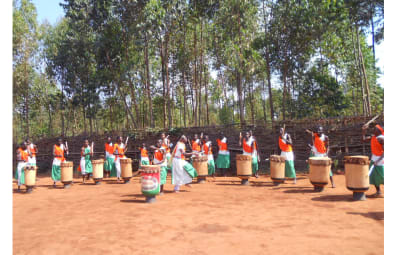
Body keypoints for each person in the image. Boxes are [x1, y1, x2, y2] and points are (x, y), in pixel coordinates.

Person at [362, 124, 384, 197]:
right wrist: (364, 131)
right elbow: (363, 140)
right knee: (374, 176)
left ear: (378, 131)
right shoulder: (373, 137)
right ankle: (378, 192)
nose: (373, 130)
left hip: (381, 159)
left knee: (382, 175)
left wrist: (378, 161)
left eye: (374, 129)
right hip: (374, 158)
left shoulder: (381, 139)